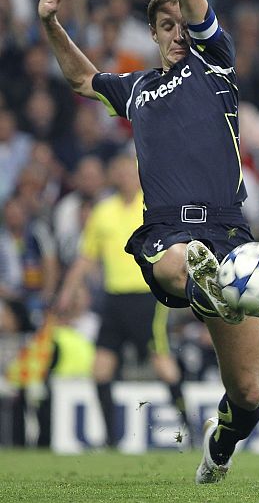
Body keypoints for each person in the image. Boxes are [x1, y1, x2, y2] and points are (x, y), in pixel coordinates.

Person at [38, 0, 259, 484]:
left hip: (227, 230)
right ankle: (204, 279)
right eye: (166, 24)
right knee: (175, 262)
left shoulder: (216, 67)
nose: (178, 30)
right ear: (155, 31)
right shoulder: (136, 89)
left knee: (250, 397)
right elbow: (82, 81)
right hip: (169, 229)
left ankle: (219, 445)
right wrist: (51, 25)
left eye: (182, 21)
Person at [55, 153, 191, 448]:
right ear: (114, 176)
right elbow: (86, 256)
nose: (127, 176)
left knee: (163, 364)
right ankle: (110, 438)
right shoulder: (103, 211)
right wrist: (68, 289)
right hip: (114, 299)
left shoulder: (153, 205)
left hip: (148, 297)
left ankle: (188, 429)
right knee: (100, 368)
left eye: (132, 171)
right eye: (121, 172)